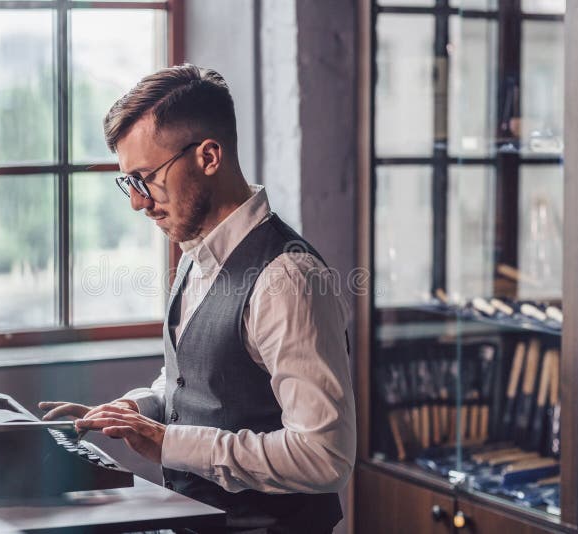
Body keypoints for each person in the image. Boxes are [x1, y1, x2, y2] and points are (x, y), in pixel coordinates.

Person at [39, 64, 355, 533]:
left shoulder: (287, 278)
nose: (138, 202)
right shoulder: (196, 252)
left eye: (146, 177)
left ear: (209, 156)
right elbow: (198, 381)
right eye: (129, 183)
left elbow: (324, 456)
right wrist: (139, 410)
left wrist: (170, 442)